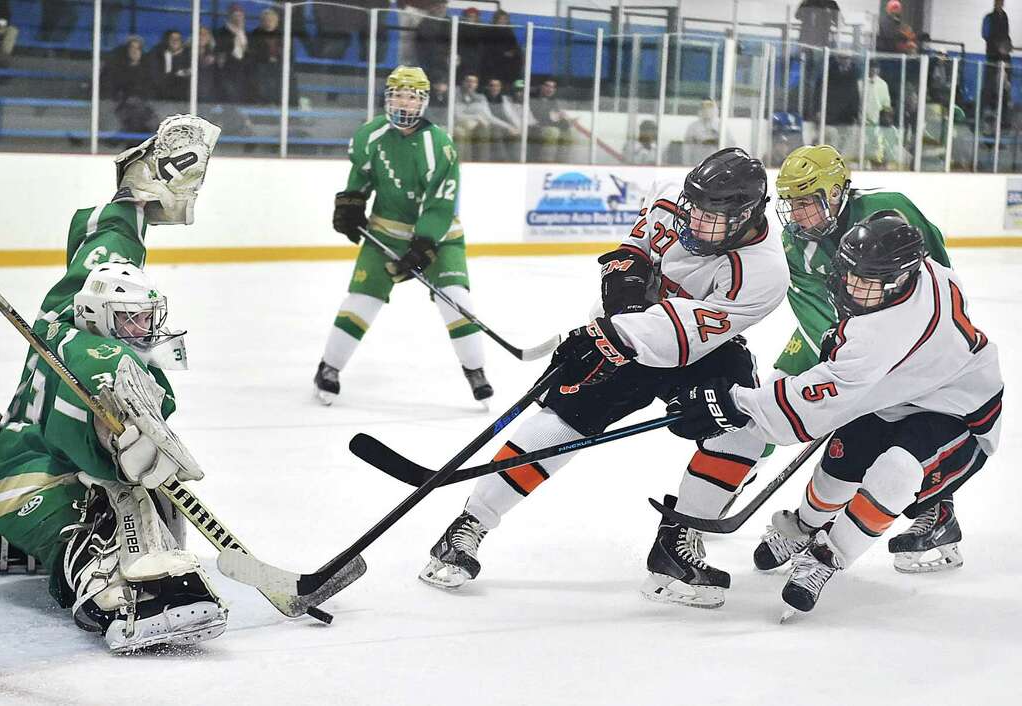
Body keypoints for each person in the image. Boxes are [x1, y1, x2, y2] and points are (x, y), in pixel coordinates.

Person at [419, 149, 790, 612]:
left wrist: (611, 335)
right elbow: (633, 251)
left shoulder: (764, 270)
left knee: (742, 424)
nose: (694, 224)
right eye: (693, 210)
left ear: (747, 216)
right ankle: (470, 524)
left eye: (712, 218)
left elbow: (682, 336)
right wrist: (624, 289)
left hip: (697, 349)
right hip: (625, 328)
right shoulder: (677, 198)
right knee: (563, 422)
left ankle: (678, 544)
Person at [0, 115, 232, 652]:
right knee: (109, 522)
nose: (145, 328)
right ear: (101, 317)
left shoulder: (86, 330)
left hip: (57, 470)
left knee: (152, 510)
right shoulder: (86, 360)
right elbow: (91, 439)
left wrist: (137, 202)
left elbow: (104, 255)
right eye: (132, 318)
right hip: (30, 483)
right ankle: (99, 590)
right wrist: (118, 453)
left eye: (146, 316)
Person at [667, 211, 1002, 615]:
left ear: (900, 280)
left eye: (867, 282)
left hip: (958, 407)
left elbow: (802, 414)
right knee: (838, 469)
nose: (853, 287)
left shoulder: (880, 335)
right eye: (851, 274)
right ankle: (804, 526)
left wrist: (734, 403)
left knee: (895, 473)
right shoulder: (923, 272)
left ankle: (828, 556)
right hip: (893, 391)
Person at [765, 145, 968, 575]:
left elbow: (936, 274)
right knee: (779, 388)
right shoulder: (794, 242)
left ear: (836, 192)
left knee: (916, 416)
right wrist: (847, 371)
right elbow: (815, 310)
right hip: (846, 332)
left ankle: (937, 509)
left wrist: (905, 351)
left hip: (916, 331)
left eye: (807, 200)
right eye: (792, 203)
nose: (798, 215)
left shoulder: (888, 210)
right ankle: (734, 480)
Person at [316, 66, 493, 406]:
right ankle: (329, 368)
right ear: (387, 97)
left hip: (440, 239)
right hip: (385, 233)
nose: (403, 102)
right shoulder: (370, 135)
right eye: (397, 94)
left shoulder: (439, 146)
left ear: (423, 102)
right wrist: (351, 204)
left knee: (456, 300)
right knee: (362, 300)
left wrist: (424, 243)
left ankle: (476, 370)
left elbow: (440, 204)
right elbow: (361, 175)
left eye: (411, 96)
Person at [529, 78, 572, 163]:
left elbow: (555, 115)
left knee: (567, 131)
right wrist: (554, 117)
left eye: (552, 87)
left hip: (547, 125)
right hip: (534, 127)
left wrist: (565, 119)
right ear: (542, 87)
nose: (550, 89)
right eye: (547, 86)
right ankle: (546, 162)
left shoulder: (553, 101)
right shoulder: (533, 99)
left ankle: (561, 161)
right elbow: (539, 117)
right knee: (552, 132)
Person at [248, 8, 284, 105]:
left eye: (271, 20)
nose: (268, 23)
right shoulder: (255, 34)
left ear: (276, 22)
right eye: (266, 20)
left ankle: (278, 102)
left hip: (278, 66)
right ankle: (262, 101)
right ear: (261, 22)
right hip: (260, 65)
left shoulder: (282, 35)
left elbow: (289, 53)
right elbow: (252, 52)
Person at [480, 10, 523, 87]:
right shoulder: (487, 32)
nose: (502, 21)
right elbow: (487, 50)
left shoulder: (510, 33)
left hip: (507, 70)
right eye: (500, 19)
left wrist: (513, 52)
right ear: (495, 20)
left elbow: (515, 49)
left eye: (505, 19)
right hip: (492, 68)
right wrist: (503, 53)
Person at [215, 5, 249, 103]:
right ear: (229, 16)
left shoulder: (246, 33)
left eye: (240, 16)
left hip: (243, 72)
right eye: (236, 15)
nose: (238, 18)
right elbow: (221, 51)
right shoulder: (221, 33)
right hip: (228, 71)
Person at [483, 78, 522, 161]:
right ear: (487, 87)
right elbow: (490, 118)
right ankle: (502, 160)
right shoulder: (482, 98)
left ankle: (516, 161)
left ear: (500, 87)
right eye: (492, 85)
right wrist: (509, 127)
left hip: (506, 127)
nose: (494, 88)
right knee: (497, 132)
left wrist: (518, 128)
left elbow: (511, 115)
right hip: (492, 126)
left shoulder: (505, 99)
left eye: (497, 86)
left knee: (518, 136)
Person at [149, 29, 191, 101]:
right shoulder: (159, 55)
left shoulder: (189, 56)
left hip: (183, 100)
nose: (175, 41)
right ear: (167, 40)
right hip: (161, 98)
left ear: (181, 41)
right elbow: (156, 76)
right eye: (172, 38)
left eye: (178, 39)